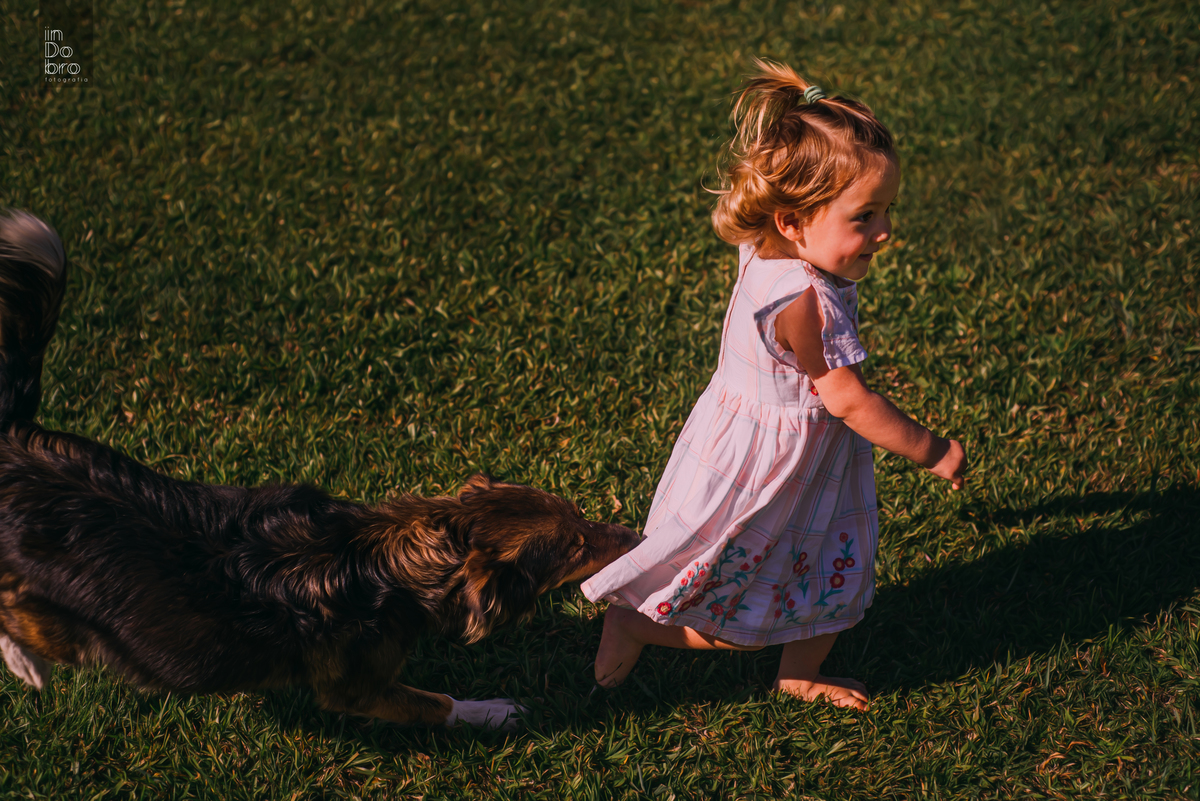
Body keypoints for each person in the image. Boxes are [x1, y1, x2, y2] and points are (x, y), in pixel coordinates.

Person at [582, 61, 968, 710]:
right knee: (741, 608)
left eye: (886, 211)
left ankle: (799, 675)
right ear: (792, 220)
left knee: (828, 580)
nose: (885, 233)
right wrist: (932, 448)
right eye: (865, 216)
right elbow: (845, 397)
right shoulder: (808, 303)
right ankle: (638, 622)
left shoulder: (767, 247)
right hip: (776, 470)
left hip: (763, 446)